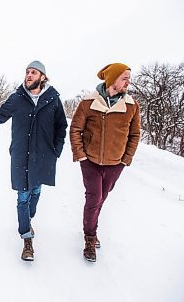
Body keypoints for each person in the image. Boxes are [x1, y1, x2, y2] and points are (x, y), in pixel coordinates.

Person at [0, 61, 68, 261]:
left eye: (33, 72)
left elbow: (61, 127)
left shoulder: (53, 99)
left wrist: (55, 151)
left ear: (43, 77)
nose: (29, 75)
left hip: (42, 158)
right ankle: (26, 238)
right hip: (20, 157)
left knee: (35, 192)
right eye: (27, 72)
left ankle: (29, 219)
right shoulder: (17, 99)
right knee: (22, 197)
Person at [69, 63, 141, 262]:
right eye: (124, 77)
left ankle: (91, 226)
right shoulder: (88, 102)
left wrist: (125, 159)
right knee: (94, 199)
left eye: (128, 77)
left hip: (115, 163)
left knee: (102, 198)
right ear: (112, 80)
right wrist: (81, 155)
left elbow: (134, 134)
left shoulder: (131, 106)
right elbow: (75, 129)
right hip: (90, 161)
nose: (128, 81)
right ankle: (90, 237)